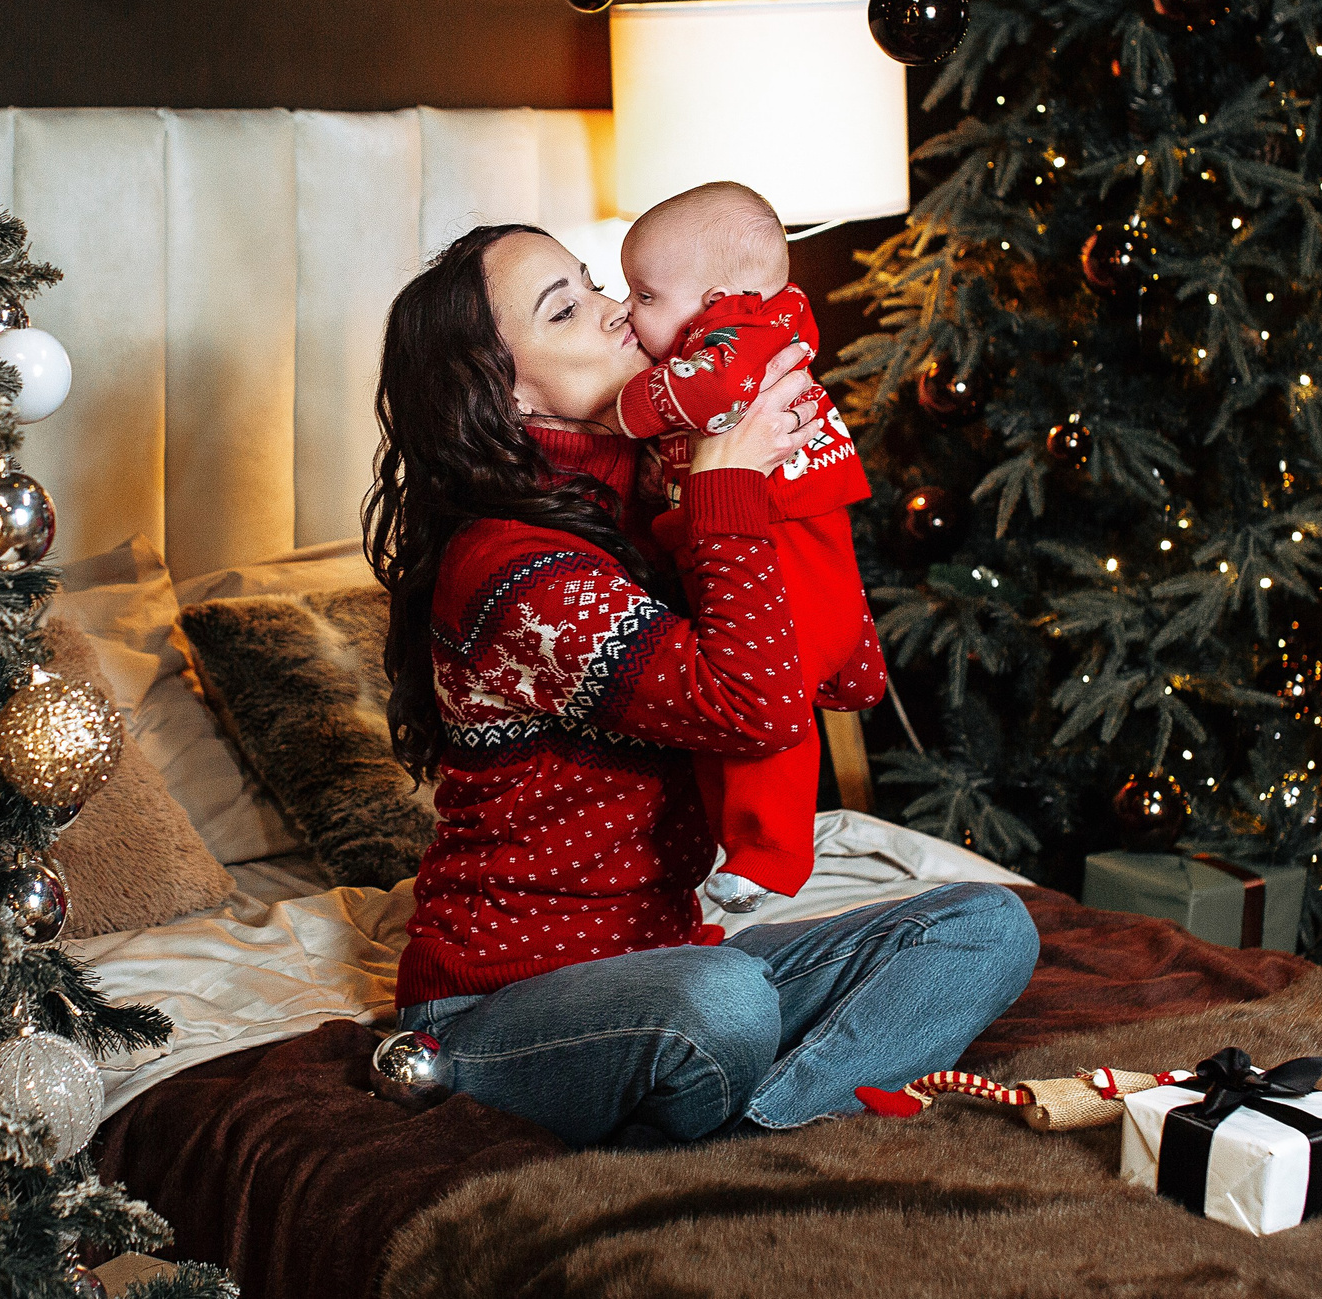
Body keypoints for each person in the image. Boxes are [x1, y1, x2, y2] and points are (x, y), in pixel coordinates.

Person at [365, 224, 1037, 1148]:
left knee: (988, 924)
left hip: (670, 966)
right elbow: (752, 709)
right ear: (503, 391)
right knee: (723, 1001)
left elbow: (843, 674)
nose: (614, 311)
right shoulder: (509, 570)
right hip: (503, 1003)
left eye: (596, 284)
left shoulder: (652, 493)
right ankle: (775, 1096)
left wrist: (782, 486)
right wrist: (726, 491)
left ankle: (771, 1125)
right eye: (565, 309)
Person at [617, 180, 887, 914]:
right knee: (744, 697)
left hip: (778, 537)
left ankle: (772, 856)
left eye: (644, 295)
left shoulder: (741, 337)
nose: (627, 310)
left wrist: (625, 405)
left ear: (714, 300)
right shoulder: (742, 331)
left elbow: (709, 393)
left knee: (770, 706)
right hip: (782, 534)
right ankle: (851, 665)